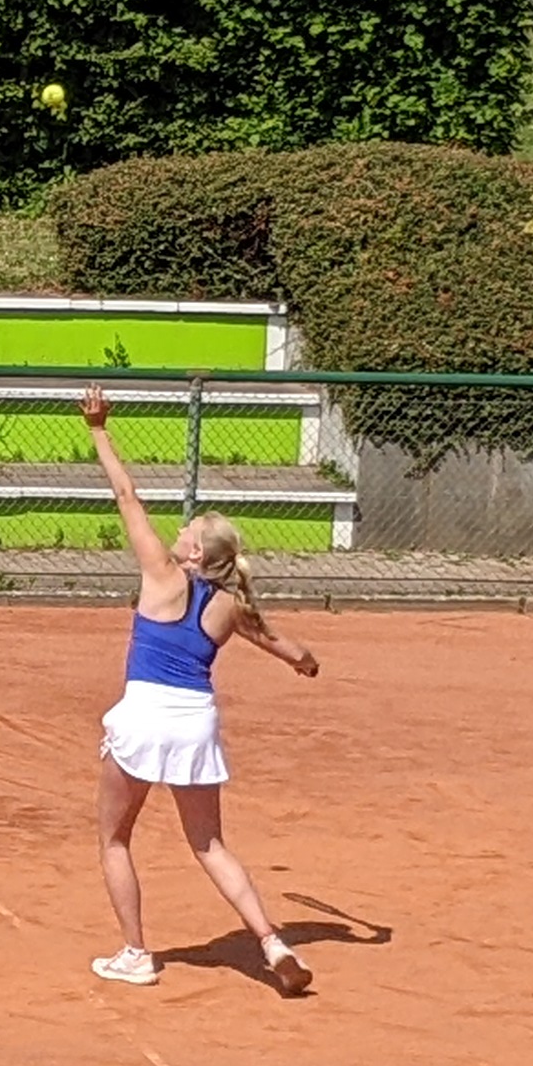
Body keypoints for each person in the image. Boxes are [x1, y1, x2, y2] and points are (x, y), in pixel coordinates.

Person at [76, 384, 323, 997]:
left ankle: (137, 954)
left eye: (188, 527)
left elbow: (126, 495)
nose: (180, 527)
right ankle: (273, 943)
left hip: (144, 717)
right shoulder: (232, 605)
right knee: (209, 844)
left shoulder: (160, 574)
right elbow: (287, 649)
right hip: (195, 722)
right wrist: (306, 662)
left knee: (114, 838)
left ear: (191, 551)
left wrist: (99, 429)